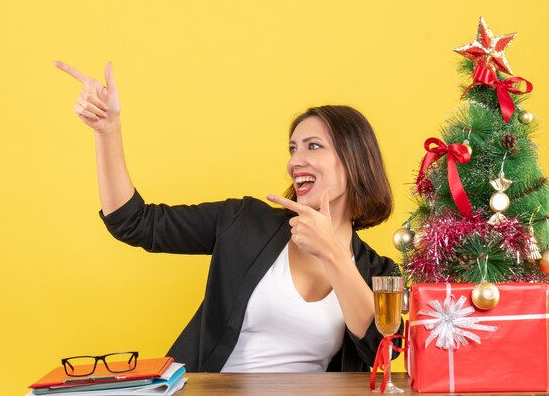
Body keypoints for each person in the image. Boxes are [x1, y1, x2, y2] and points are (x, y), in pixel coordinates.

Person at [54, 61, 401, 373]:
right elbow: (134, 223)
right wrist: (107, 130)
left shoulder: (380, 272)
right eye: (292, 149)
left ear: (355, 161)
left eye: (313, 146)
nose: (296, 161)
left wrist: (334, 253)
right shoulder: (245, 222)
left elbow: (383, 351)